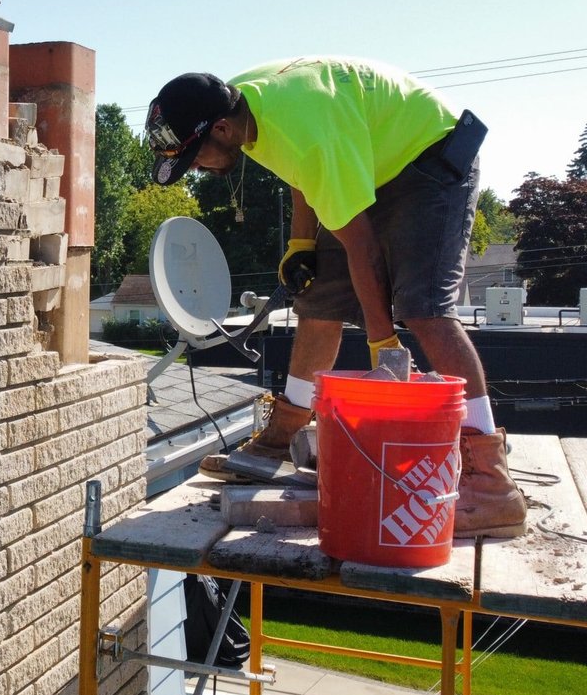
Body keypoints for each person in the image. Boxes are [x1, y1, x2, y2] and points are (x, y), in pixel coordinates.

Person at [145, 58, 525, 538]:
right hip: (369, 155)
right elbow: (299, 169)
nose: (196, 168)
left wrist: (382, 342)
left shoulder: (306, 131)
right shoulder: (241, 108)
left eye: (195, 156)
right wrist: (302, 244)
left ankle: (492, 486)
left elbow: (361, 245)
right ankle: (283, 435)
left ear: (220, 127)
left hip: (430, 153)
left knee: (424, 308)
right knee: (319, 294)